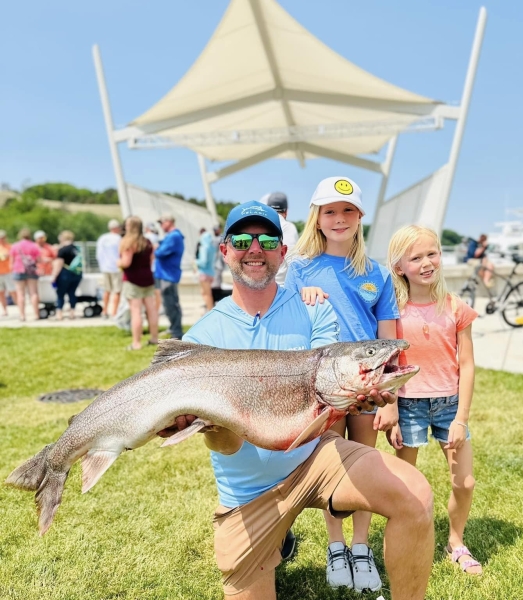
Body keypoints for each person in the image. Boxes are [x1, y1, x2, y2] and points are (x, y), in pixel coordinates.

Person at [158, 200, 434, 600]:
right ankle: (277, 539)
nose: (255, 248)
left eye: (268, 239)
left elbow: (328, 385)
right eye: (242, 239)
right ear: (225, 250)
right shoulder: (202, 336)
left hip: (315, 460)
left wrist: (355, 397)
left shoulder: (314, 309)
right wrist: (209, 427)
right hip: (247, 492)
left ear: (282, 252)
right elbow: (227, 446)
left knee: (416, 495)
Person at [284, 177, 400, 592]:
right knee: (332, 469)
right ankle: (336, 546)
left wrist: (392, 399)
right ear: (316, 218)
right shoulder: (298, 269)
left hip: (367, 388)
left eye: (347, 211)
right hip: (324, 388)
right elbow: (286, 330)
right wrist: (301, 299)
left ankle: (362, 546)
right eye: (329, 211)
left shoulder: (377, 273)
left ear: (360, 218)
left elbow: (389, 336)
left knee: (365, 466)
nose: (338, 218)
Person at [387, 224, 482, 575]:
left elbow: (467, 364)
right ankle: (405, 540)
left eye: (432, 253)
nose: (427, 262)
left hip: (449, 406)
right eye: (416, 257)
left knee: (465, 481)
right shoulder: (393, 309)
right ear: (399, 267)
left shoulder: (456, 307)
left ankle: (455, 542)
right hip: (409, 404)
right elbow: (390, 363)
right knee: (404, 484)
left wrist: (461, 418)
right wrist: (393, 410)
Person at [117, 216, 159, 350]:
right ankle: (154, 338)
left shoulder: (129, 242)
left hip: (133, 280)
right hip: (147, 279)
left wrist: (118, 263)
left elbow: (126, 263)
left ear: (130, 226)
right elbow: (151, 260)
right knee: (151, 310)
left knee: (136, 312)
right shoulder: (147, 242)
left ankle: (136, 343)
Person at [154, 214, 185, 339]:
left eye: (161, 222)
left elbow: (160, 253)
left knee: (171, 304)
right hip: (166, 275)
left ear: (168, 222)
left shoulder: (174, 236)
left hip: (169, 276)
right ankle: (173, 328)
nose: (160, 226)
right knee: (169, 304)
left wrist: (156, 248)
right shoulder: (172, 236)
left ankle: (176, 332)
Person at [264, 192, 299, 285]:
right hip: (280, 287)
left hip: (260, 286)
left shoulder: (260, 226)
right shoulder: (288, 227)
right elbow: (293, 259)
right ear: (286, 211)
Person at [50, 230, 83, 321]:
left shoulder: (63, 250)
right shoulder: (76, 248)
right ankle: (72, 313)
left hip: (65, 274)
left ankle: (59, 314)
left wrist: (54, 277)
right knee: (72, 293)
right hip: (77, 274)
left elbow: (59, 264)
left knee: (60, 294)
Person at [10, 228, 41, 321]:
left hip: (18, 270)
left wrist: (12, 271)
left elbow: (11, 261)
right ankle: (36, 314)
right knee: (33, 293)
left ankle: (22, 315)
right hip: (31, 271)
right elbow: (39, 260)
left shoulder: (15, 246)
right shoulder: (34, 246)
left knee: (20, 294)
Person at [97, 219, 123, 318]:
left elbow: (98, 254)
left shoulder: (102, 238)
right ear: (117, 228)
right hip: (116, 268)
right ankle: (114, 312)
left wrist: (102, 265)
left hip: (105, 267)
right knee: (117, 291)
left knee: (107, 290)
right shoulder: (119, 239)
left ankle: (104, 311)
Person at [195, 226, 216, 312]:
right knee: (204, 293)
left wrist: (195, 261)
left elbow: (203, 262)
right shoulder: (212, 248)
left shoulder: (203, 248)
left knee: (207, 294)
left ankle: (210, 311)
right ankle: (208, 309)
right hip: (211, 273)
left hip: (204, 273)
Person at [144, 222, 162, 315]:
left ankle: (149, 310)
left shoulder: (145, 237)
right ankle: (156, 310)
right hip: (156, 268)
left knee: (148, 292)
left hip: (147, 269)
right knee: (157, 291)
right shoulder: (156, 238)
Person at [0, 230, 17, 316]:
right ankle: (4, 310)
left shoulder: (9, 246)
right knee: (1, 292)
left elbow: (14, 257)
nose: (1, 239)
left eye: (2, 238)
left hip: (8, 272)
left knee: (13, 291)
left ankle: (19, 307)